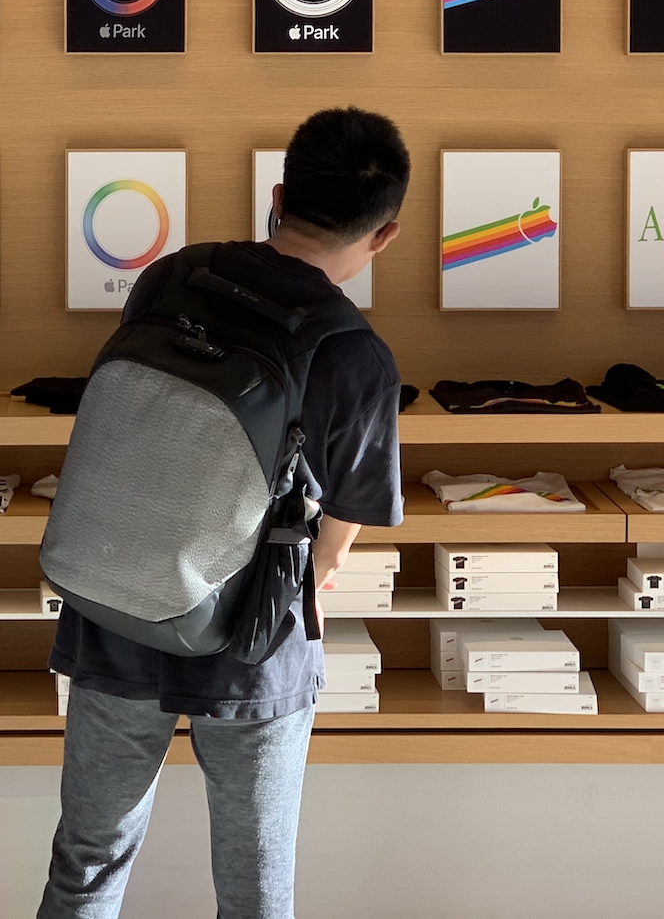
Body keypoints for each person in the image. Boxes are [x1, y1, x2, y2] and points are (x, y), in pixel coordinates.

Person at [41, 106, 409, 919]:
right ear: (384, 234)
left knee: (88, 860)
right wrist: (318, 574)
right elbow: (347, 515)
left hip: (116, 598)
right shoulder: (353, 353)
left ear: (279, 195)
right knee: (254, 886)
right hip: (254, 634)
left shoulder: (172, 277)